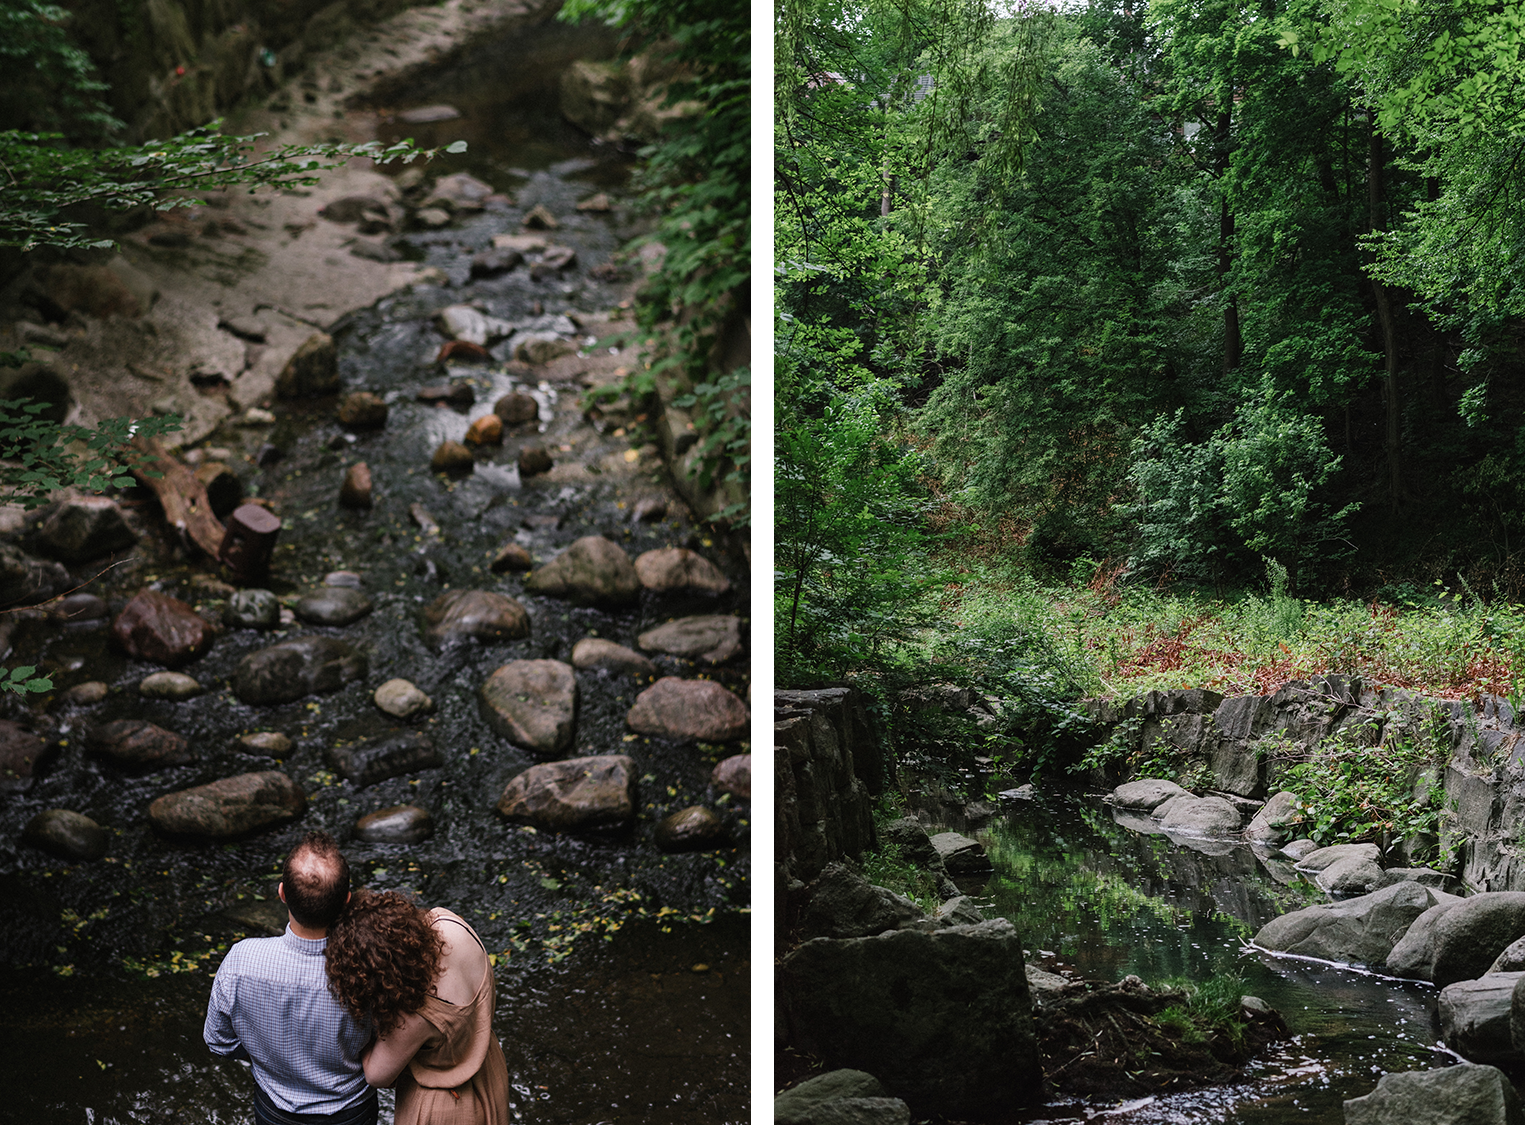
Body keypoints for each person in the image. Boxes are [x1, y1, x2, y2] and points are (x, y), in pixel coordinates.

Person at [204, 831, 377, 1125]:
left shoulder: (240, 961)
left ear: (282, 893)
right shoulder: (368, 968)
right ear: (346, 900)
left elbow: (218, 1041)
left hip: (274, 1111)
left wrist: (268, 1056)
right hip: (351, 1111)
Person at [324, 888, 511, 1125]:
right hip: (489, 1071)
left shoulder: (413, 1017)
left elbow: (376, 1075)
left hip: (442, 1107)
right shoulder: (448, 922)